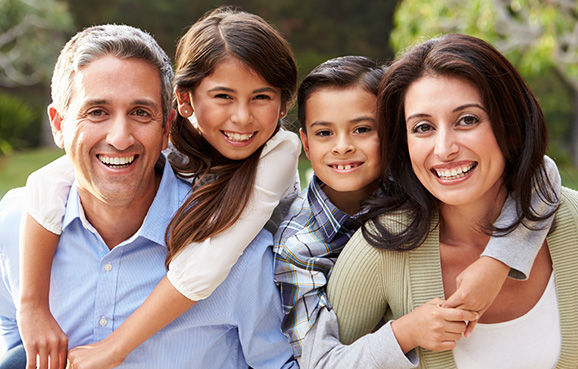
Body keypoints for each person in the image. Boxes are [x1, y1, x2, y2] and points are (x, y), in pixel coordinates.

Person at [0, 19, 298, 369]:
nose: (120, 137)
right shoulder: (15, 229)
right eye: (97, 112)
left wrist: (115, 348)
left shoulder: (246, 249)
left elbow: (205, 266)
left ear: (165, 127)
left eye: (140, 112)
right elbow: (51, 178)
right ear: (58, 124)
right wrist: (32, 304)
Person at [304, 34, 577, 368]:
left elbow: (541, 170)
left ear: (510, 125)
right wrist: (401, 335)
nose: (444, 148)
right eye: (422, 127)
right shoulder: (382, 248)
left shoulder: (571, 224)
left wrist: (500, 258)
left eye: (467, 120)